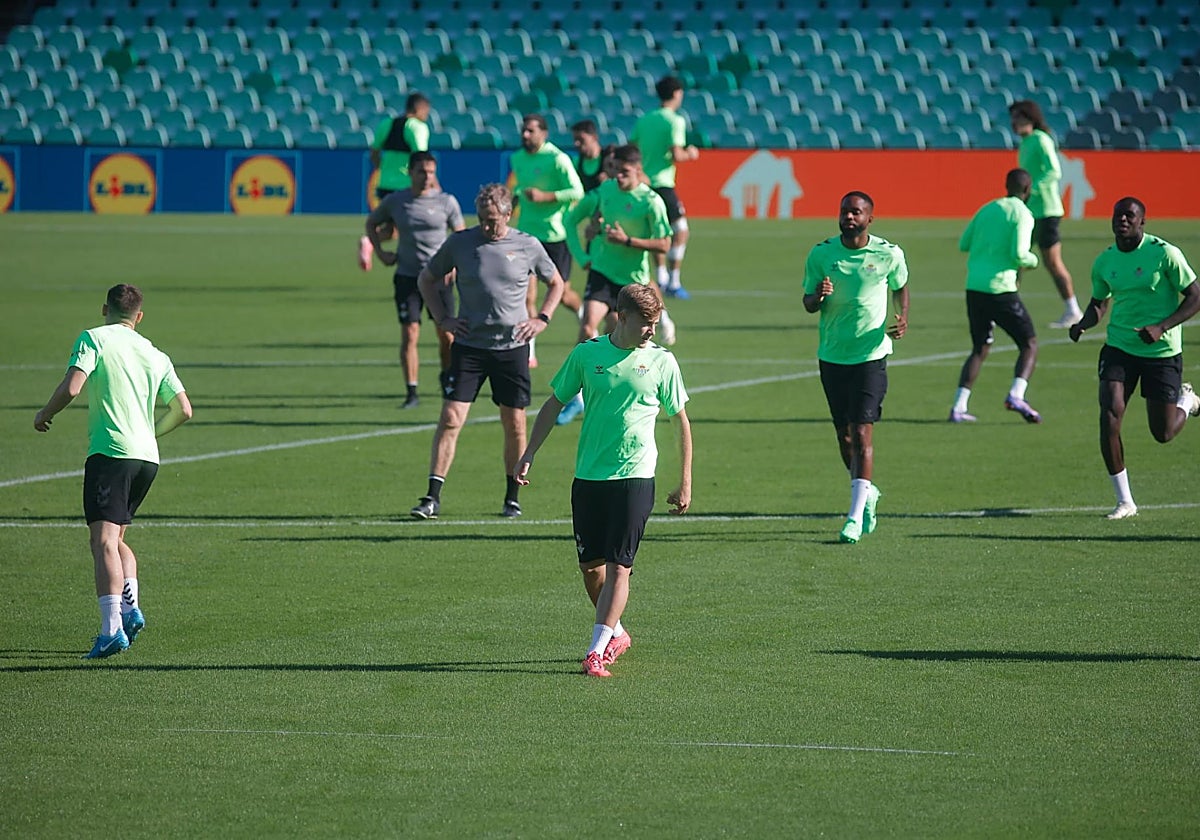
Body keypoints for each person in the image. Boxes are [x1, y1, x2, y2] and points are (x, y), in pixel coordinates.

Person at [514, 283, 692, 678]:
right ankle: (617, 633)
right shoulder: (587, 354)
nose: (652, 331)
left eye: (656, 323)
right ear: (621, 317)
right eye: (646, 323)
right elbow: (555, 403)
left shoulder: (662, 361)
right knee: (591, 569)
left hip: (636, 476)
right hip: (589, 476)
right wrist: (529, 453)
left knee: (619, 567)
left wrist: (685, 480)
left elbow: (680, 419)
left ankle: (595, 651)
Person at [33, 284, 193, 659]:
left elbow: (73, 387)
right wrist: (150, 434)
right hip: (147, 459)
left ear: (105, 309)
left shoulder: (94, 338)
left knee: (102, 542)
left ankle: (111, 630)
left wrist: (45, 413)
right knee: (117, 540)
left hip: (111, 453)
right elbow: (184, 410)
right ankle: (129, 608)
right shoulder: (156, 353)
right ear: (139, 316)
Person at [410, 184, 564, 520]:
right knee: (451, 418)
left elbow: (556, 282)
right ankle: (432, 497)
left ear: (508, 215)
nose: (486, 226)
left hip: (512, 348)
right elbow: (426, 279)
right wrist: (443, 318)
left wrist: (542, 319)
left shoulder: (527, 244)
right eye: (481, 218)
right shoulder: (460, 243)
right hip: (470, 347)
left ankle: (512, 498)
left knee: (515, 423)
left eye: (492, 219)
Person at [1068, 197, 1200, 520]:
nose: (1123, 220)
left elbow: (1196, 296)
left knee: (1163, 432)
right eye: (1118, 215)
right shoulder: (1104, 261)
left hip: (1161, 351)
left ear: (1143, 221)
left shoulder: (1165, 254)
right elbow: (1100, 302)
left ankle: (1187, 401)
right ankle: (1125, 501)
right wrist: (1084, 323)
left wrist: (1161, 326)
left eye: (1130, 215)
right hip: (1120, 348)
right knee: (1109, 414)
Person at [802, 192, 909, 545]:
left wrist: (902, 316)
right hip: (833, 356)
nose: (849, 217)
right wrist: (818, 295)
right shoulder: (821, 254)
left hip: (871, 356)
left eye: (856, 212)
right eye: (845, 211)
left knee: (862, 433)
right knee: (844, 437)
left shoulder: (888, 254)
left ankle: (853, 515)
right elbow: (808, 303)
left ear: (869, 219)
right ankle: (867, 492)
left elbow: (901, 286)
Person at [558, 144, 672, 425]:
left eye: (625, 172)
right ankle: (576, 397)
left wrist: (628, 241)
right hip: (601, 273)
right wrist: (582, 255)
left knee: (622, 339)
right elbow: (571, 220)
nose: (618, 177)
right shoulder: (603, 192)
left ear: (638, 170)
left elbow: (664, 244)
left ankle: (637, 389)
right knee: (587, 326)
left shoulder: (651, 201)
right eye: (615, 170)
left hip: (633, 279)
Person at [365, 151, 465, 409]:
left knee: (447, 336)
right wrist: (380, 252)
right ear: (410, 172)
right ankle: (411, 391)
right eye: (421, 171)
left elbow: (461, 236)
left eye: (431, 172)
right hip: (408, 277)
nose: (426, 177)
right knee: (410, 334)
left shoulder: (446, 201)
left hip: (439, 279)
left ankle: (447, 375)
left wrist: (455, 264)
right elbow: (371, 223)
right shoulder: (396, 201)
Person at [949, 168, 1044, 424]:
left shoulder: (987, 209)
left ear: (1006, 185)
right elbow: (1019, 254)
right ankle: (1016, 395)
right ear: (1028, 190)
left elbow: (963, 244)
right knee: (1029, 343)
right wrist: (1033, 261)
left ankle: (958, 407)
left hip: (974, 287)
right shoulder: (1022, 214)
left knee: (980, 348)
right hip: (1001, 289)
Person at [510, 114, 585, 367]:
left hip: (555, 236)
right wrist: (514, 198)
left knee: (562, 294)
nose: (525, 135)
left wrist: (546, 196)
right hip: (526, 236)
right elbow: (519, 188)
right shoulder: (517, 158)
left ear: (544, 133)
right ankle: (529, 351)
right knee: (526, 296)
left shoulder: (558, 159)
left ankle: (584, 315)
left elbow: (577, 191)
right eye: (523, 130)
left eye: (530, 131)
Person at [1009, 99, 1082, 329]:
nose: (1014, 122)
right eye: (1013, 118)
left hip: (1046, 211)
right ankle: (1008, 308)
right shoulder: (1026, 142)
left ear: (1031, 119)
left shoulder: (1041, 140)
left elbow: (1053, 171)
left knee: (1052, 262)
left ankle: (1073, 310)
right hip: (1030, 212)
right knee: (1015, 258)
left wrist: (1031, 189)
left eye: (1019, 117)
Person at [632, 75, 700, 299]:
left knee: (656, 230)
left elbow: (633, 147)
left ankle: (661, 277)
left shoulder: (644, 119)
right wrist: (691, 153)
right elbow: (677, 154)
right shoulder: (674, 121)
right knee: (680, 230)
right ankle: (673, 281)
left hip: (645, 183)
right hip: (662, 182)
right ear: (677, 94)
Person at [360, 92, 431, 271]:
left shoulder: (387, 124)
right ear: (420, 109)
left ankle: (369, 242)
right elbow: (421, 157)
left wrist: (383, 168)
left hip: (385, 184)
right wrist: (430, 183)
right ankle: (416, 266)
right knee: (414, 226)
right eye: (426, 112)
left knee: (392, 230)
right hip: (407, 185)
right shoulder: (417, 127)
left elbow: (374, 152)